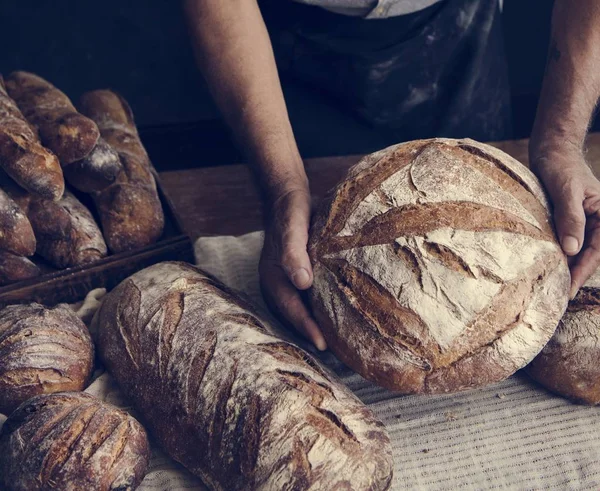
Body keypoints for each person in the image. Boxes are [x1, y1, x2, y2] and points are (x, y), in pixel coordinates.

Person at [184, 0, 600, 351]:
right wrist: (282, 187)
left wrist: (561, 143)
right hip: (281, 53)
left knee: (483, 257)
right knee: (311, 247)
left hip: (455, 30)